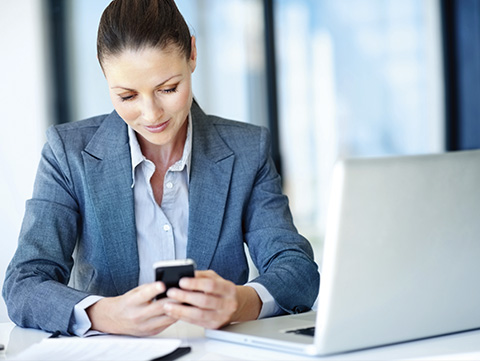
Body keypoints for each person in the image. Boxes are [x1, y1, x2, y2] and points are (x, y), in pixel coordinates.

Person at [2, 0, 319, 336]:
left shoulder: (246, 150)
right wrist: (103, 313)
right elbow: (24, 282)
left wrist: (241, 301)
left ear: (192, 54)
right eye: (127, 96)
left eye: (168, 89)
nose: (151, 114)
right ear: (104, 73)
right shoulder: (68, 154)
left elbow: (297, 269)